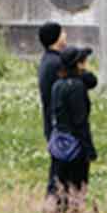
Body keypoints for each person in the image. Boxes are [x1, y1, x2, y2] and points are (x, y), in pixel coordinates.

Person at [46, 46, 98, 213]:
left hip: (59, 141)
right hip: (75, 144)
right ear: (78, 64)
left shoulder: (57, 85)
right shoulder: (76, 87)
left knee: (58, 182)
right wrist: (89, 149)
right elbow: (80, 121)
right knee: (76, 185)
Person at [34, 21, 68, 191]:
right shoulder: (56, 64)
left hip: (52, 122)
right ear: (56, 37)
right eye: (63, 32)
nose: (66, 35)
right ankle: (54, 205)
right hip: (58, 123)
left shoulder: (48, 60)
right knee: (60, 169)